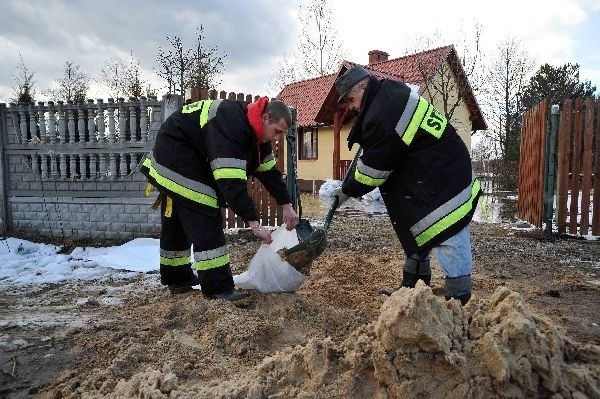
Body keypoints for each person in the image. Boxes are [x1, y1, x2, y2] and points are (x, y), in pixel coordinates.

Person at [332, 65, 482, 305]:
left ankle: (459, 301)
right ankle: (412, 290)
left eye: (351, 99)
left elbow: (373, 170)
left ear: (363, 86)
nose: (351, 107)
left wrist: (346, 191)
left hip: (445, 177)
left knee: (447, 230)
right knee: (418, 226)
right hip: (431, 170)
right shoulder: (389, 95)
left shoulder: (384, 111)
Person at [141, 97, 299, 305]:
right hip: (175, 155)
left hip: (181, 154)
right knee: (205, 206)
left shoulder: (258, 138)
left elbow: (270, 174)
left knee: (179, 218)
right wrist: (254, 223)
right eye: (277, 131)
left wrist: (287, 206)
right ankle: (218, 288)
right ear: (265, 118)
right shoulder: (232, 124)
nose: (277, 138)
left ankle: (177, 278)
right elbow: (230, 183)